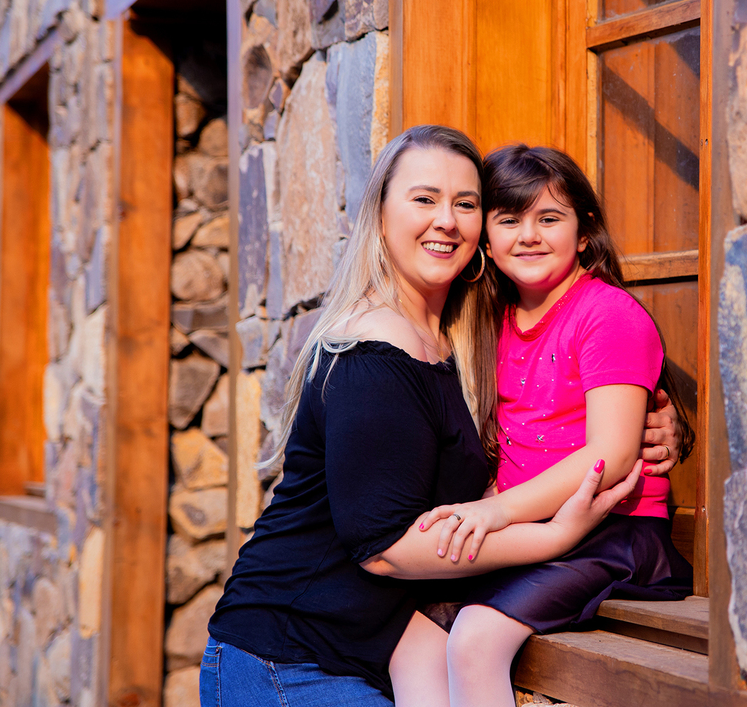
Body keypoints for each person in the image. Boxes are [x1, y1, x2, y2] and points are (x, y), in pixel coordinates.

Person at [201, 126, 682, 706]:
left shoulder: (467, 333)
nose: (447, 220)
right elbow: (386, 548)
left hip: (360, 654)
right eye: (424, 199)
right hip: (291, 659)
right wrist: (553, 535)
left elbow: (575, 410)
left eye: (466, 203)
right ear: (380, 216)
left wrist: (661, 424)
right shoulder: (372, 355)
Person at [390, 144, 695, 707]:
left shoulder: (606, 314)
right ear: (486, 236)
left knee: (476, 641)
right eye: (509, 220)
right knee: (413, 644)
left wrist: (496, 511)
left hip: (615, 529)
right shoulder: (488, 317)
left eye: (549, 218)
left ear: (584, 233)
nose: (528, 235)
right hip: (538, 525)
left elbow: (614, 454)